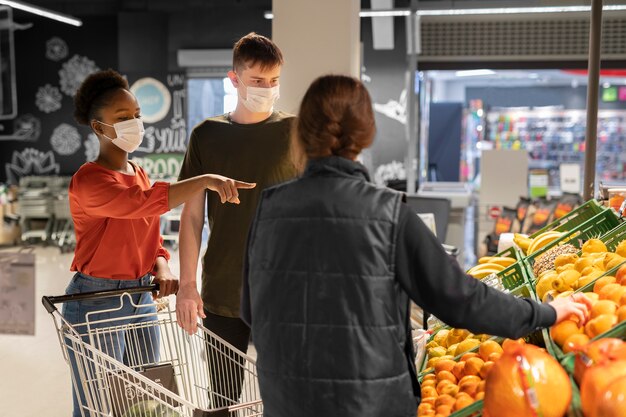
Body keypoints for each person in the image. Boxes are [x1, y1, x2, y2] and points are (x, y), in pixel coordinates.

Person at [240, 74, 592, 417]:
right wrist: (546, 312)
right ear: (366, 135)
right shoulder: (387, 213)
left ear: (302, 131)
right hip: (370, 402)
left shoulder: (268, 209)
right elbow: (461, 299)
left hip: (286, 400)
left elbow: (251, 311)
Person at [64, 69, 255, 417]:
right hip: (96, 300)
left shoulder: (137, 172)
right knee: (100, 404)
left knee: (146, 399)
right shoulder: (89, 181)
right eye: (123, 118)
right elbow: (141, 203)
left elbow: (149, 236)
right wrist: (206, 180)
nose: (134, 124)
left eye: (136, 116)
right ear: (98, 127)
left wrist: (162, 265)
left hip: (141, 297)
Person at [176, 33, 296, 408]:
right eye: (258, 81)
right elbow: (192, 217)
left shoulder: (295, 133)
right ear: (235, 79)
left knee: (286, 398)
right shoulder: (207, 135)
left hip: (284, 291)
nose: (267, 89)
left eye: (274, 81)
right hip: (224, 289)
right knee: (222, 399)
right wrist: (186, 285)